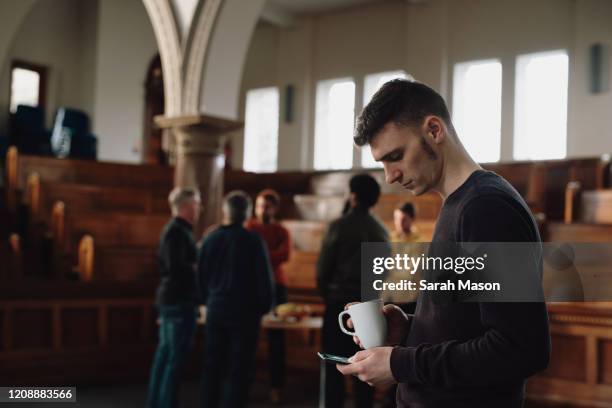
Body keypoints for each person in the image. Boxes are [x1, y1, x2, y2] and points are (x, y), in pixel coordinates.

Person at [336, 79, 551, 407]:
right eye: (382, 162)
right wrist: (407, 330)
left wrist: (400, 363)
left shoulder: (486, 208)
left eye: (395, 156)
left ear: (434, 130)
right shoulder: (458, 203)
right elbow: (465, 325)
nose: (390, 176)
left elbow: (520, 349)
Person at [317, 173, 389, 408]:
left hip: (339, 305)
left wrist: (327, 294)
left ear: (354, 196)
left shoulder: (339, 226)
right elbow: (383, 273)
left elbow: (323, 271)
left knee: (333, 368)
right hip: (368, 307)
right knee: (364, 370)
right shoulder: (382, 231)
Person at [198, 190, 275, 408]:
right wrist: (264, 308)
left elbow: (200, 275)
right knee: (239, 370)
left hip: (216, 310)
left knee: (211, 367)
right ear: (247, 213)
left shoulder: (210, 239)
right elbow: (264, 280)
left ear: (225, 211)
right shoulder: (253, 241)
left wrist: (207, 300)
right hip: (245, 315)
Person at [148, 187, 201, 408]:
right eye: (197, 204)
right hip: (178, 301)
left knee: (165, 356)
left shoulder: (178, 231)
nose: (199, 208)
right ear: (187, 206)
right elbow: (176, 268)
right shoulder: (176, 232)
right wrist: (199, 266)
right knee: (173, 361)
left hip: (173, 301)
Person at [246, 189, 291, 404]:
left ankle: (276, 387)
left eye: (267, 206)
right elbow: (246, 255)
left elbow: (285, 255)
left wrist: (259, 255)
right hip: (252, 287)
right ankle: (245, 384)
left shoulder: (281, 230)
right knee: (248, 336)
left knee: (277, 339)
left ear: (274, 208)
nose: (262, 209)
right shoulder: (249, 228)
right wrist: (267, 255)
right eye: (260, 205)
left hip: (277, 286)